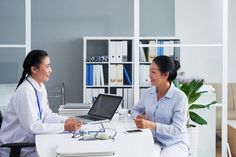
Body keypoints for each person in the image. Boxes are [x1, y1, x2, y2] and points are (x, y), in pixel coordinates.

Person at [0, 50, 82, 157]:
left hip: (32, 143)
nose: (51, 70)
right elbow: (33, 126)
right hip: (19, 149)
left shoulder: (40, 87)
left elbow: (46, 115)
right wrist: (64, 127)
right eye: (47, 66)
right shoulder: (25, 92)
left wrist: (65, 120)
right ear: (34, 69)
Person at [131, 55, 190, 157]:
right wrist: (137, 116)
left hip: (174, 143)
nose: (149, 75)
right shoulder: (148, 93)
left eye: (153, 72)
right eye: (150, 71)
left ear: (165, 75)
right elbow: (134, 110)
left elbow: (176, 129)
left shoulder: (180, 98)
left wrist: (151, 125)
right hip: (154, 141)